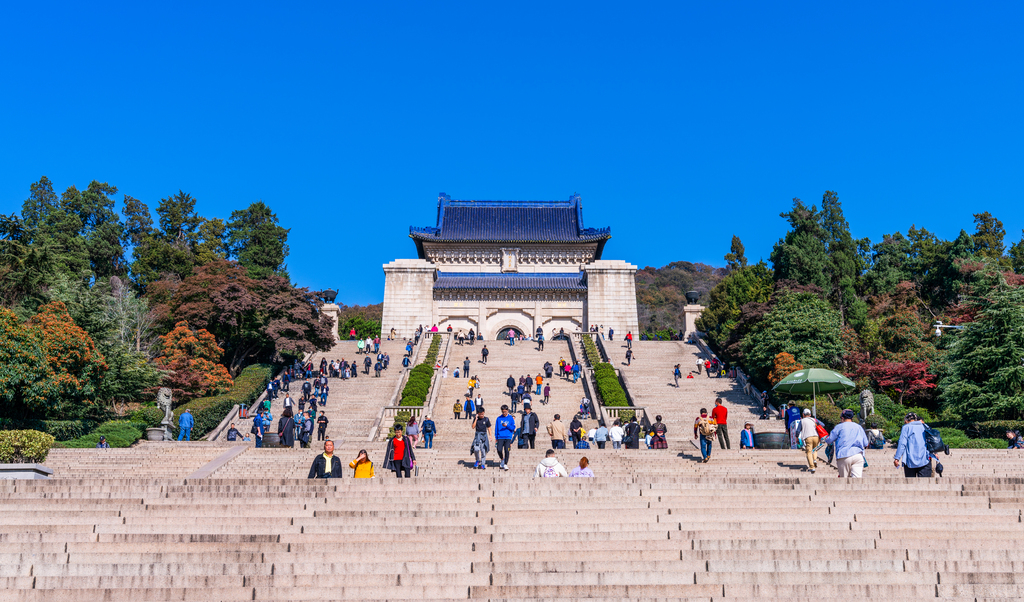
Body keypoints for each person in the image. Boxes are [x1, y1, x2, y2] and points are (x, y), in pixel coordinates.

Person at [822, 409, 869, 478]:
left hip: (844, 455)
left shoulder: (839, 427)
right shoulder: (859, 427)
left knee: (844, 480)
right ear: (852, 418)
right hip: (858, 455)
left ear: (842, 418)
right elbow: (866, 443)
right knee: (857, 480)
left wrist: (825, 438)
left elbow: (829, 440)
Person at [894, 412, 932, 477]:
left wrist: (897, 458)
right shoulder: (925, 426)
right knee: (924, 484)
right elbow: (931, 441)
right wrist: (935, 453)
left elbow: (902, 443)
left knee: (910, 484)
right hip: (925, 459)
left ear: (906, 420)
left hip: (910, 460)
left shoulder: (906, 427)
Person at [795, 409, 820, 473]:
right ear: (810, 414)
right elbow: (822, 425)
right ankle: (814, 459)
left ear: (803, 414)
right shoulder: (814, 420)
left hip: (808, 437)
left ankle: (812, 467)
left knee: (809, 452)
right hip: (816, 436)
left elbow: (798, 431)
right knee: (815, 449)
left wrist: (797, 438)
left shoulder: (802, 421)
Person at [495, 405, 516, 471]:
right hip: (500, 437)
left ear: (507, 411)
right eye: (503, 412)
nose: (504, 413)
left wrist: (507, 426)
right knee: (499, 449)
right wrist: (496, 437)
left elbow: (513, 427)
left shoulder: (510, 418)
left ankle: (505, 464)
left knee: (507, 450)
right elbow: (496, 428)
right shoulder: (498, 418)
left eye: (505, 411)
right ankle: (502, 459)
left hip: (508, 437)